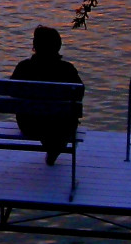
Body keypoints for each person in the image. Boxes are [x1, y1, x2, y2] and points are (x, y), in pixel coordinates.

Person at [11, 25, 83, 165]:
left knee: (45, 117)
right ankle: (54, 147)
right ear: (58, 46)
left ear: (35, 45)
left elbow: (12, 92)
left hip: (29, 125)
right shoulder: (67, 69)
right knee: (63, 120)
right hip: (60, 126)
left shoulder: (23, 67)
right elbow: (79, 95)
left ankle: (52, 146)